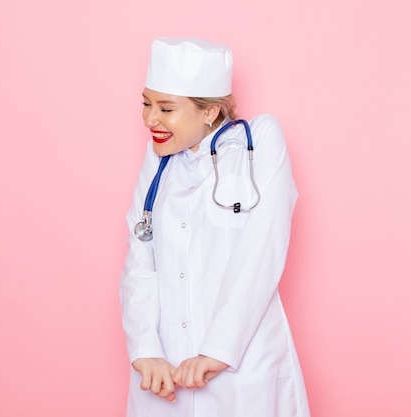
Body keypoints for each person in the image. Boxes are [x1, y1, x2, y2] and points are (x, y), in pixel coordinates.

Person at [120, 37, 310, 417]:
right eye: (146, 103)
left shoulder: (260, 142)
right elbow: (140, 259)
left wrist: (219, 349)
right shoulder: (156, 160)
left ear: (209, 113)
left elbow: (262, 249)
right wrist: (145, 351)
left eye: (166, 108)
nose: (149, 119)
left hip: (243, 363)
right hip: (166, 372)